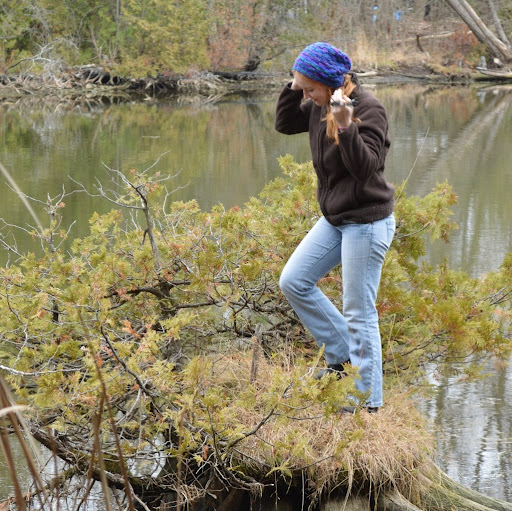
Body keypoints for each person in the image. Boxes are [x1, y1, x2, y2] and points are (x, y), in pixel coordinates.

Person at [275, 42, 395, 413]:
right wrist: (294, 83)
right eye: (303, 90)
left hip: (367, 221)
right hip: (336, 218)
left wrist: (345, 127)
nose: (306, 97)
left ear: (330, 84)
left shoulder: (369, 109)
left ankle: (367, 404)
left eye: (310, 89)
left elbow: (365, 168)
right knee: (293, 280)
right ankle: (342, 358)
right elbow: (284, 123)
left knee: (360, 312)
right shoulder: (318, 102)